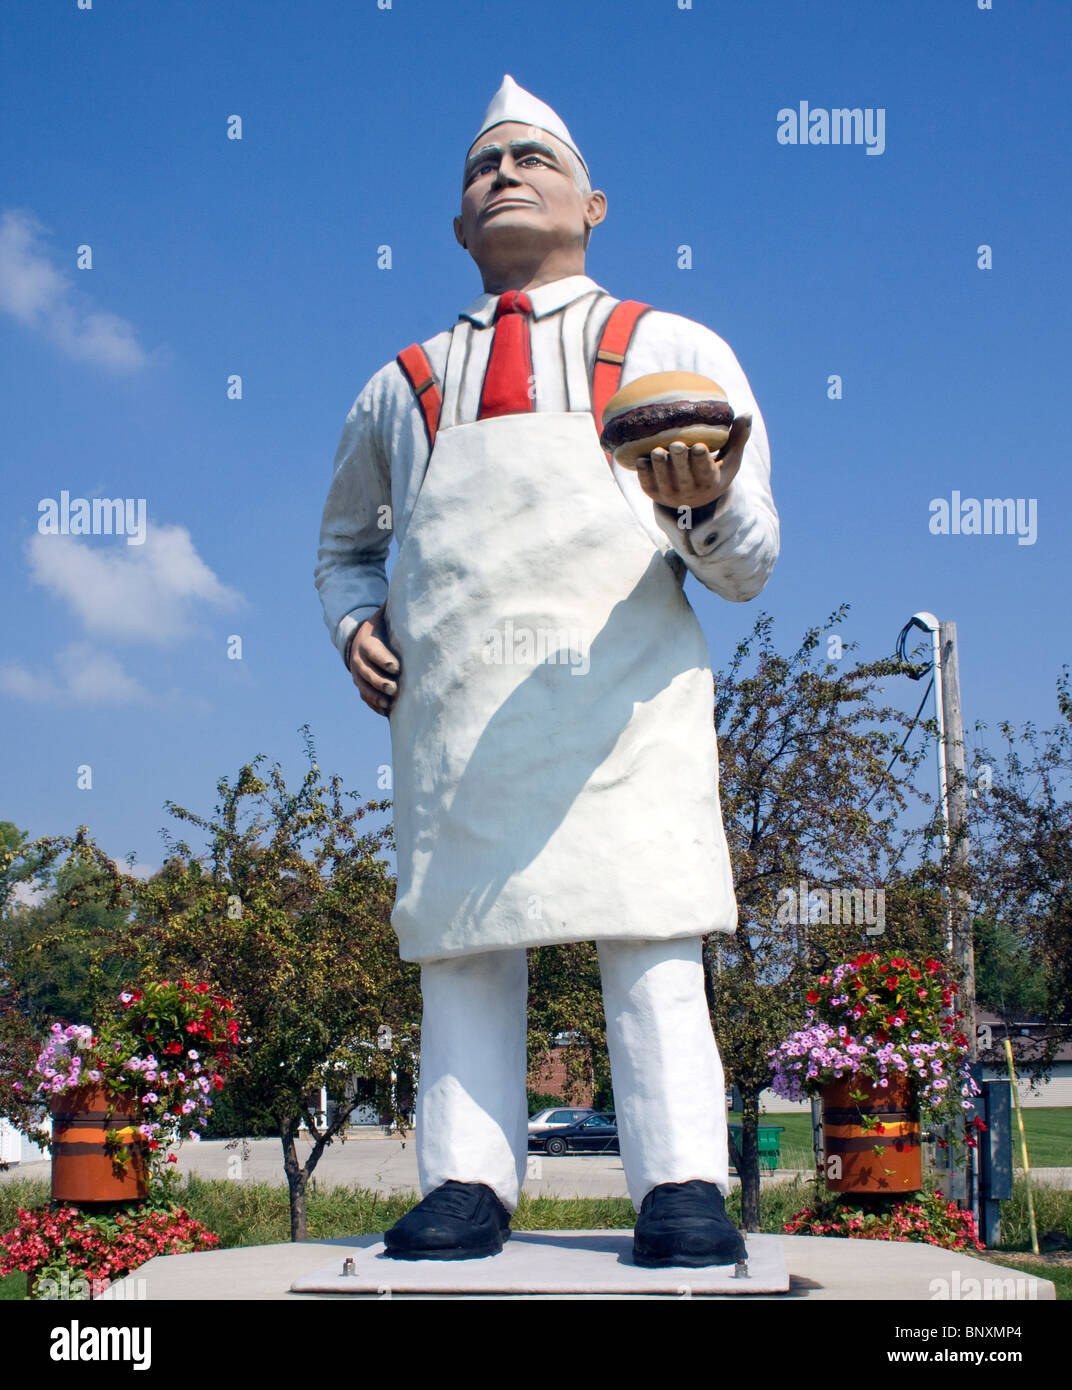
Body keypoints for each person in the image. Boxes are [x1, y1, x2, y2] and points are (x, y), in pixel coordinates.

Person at [315, 76, 779, 1266]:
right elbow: (343, 545)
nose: (507, 172)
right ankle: (467, 1180)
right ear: (458, 226)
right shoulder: (401, 384)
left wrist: (706, 505)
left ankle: (680, 1181)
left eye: (534, 156)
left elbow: (750, 561)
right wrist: (354, 620)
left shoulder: (667, 349)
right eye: (484, 166)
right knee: (465, 944)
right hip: (458, 714)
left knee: (650, 934)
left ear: (595, 202)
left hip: (626, 701)